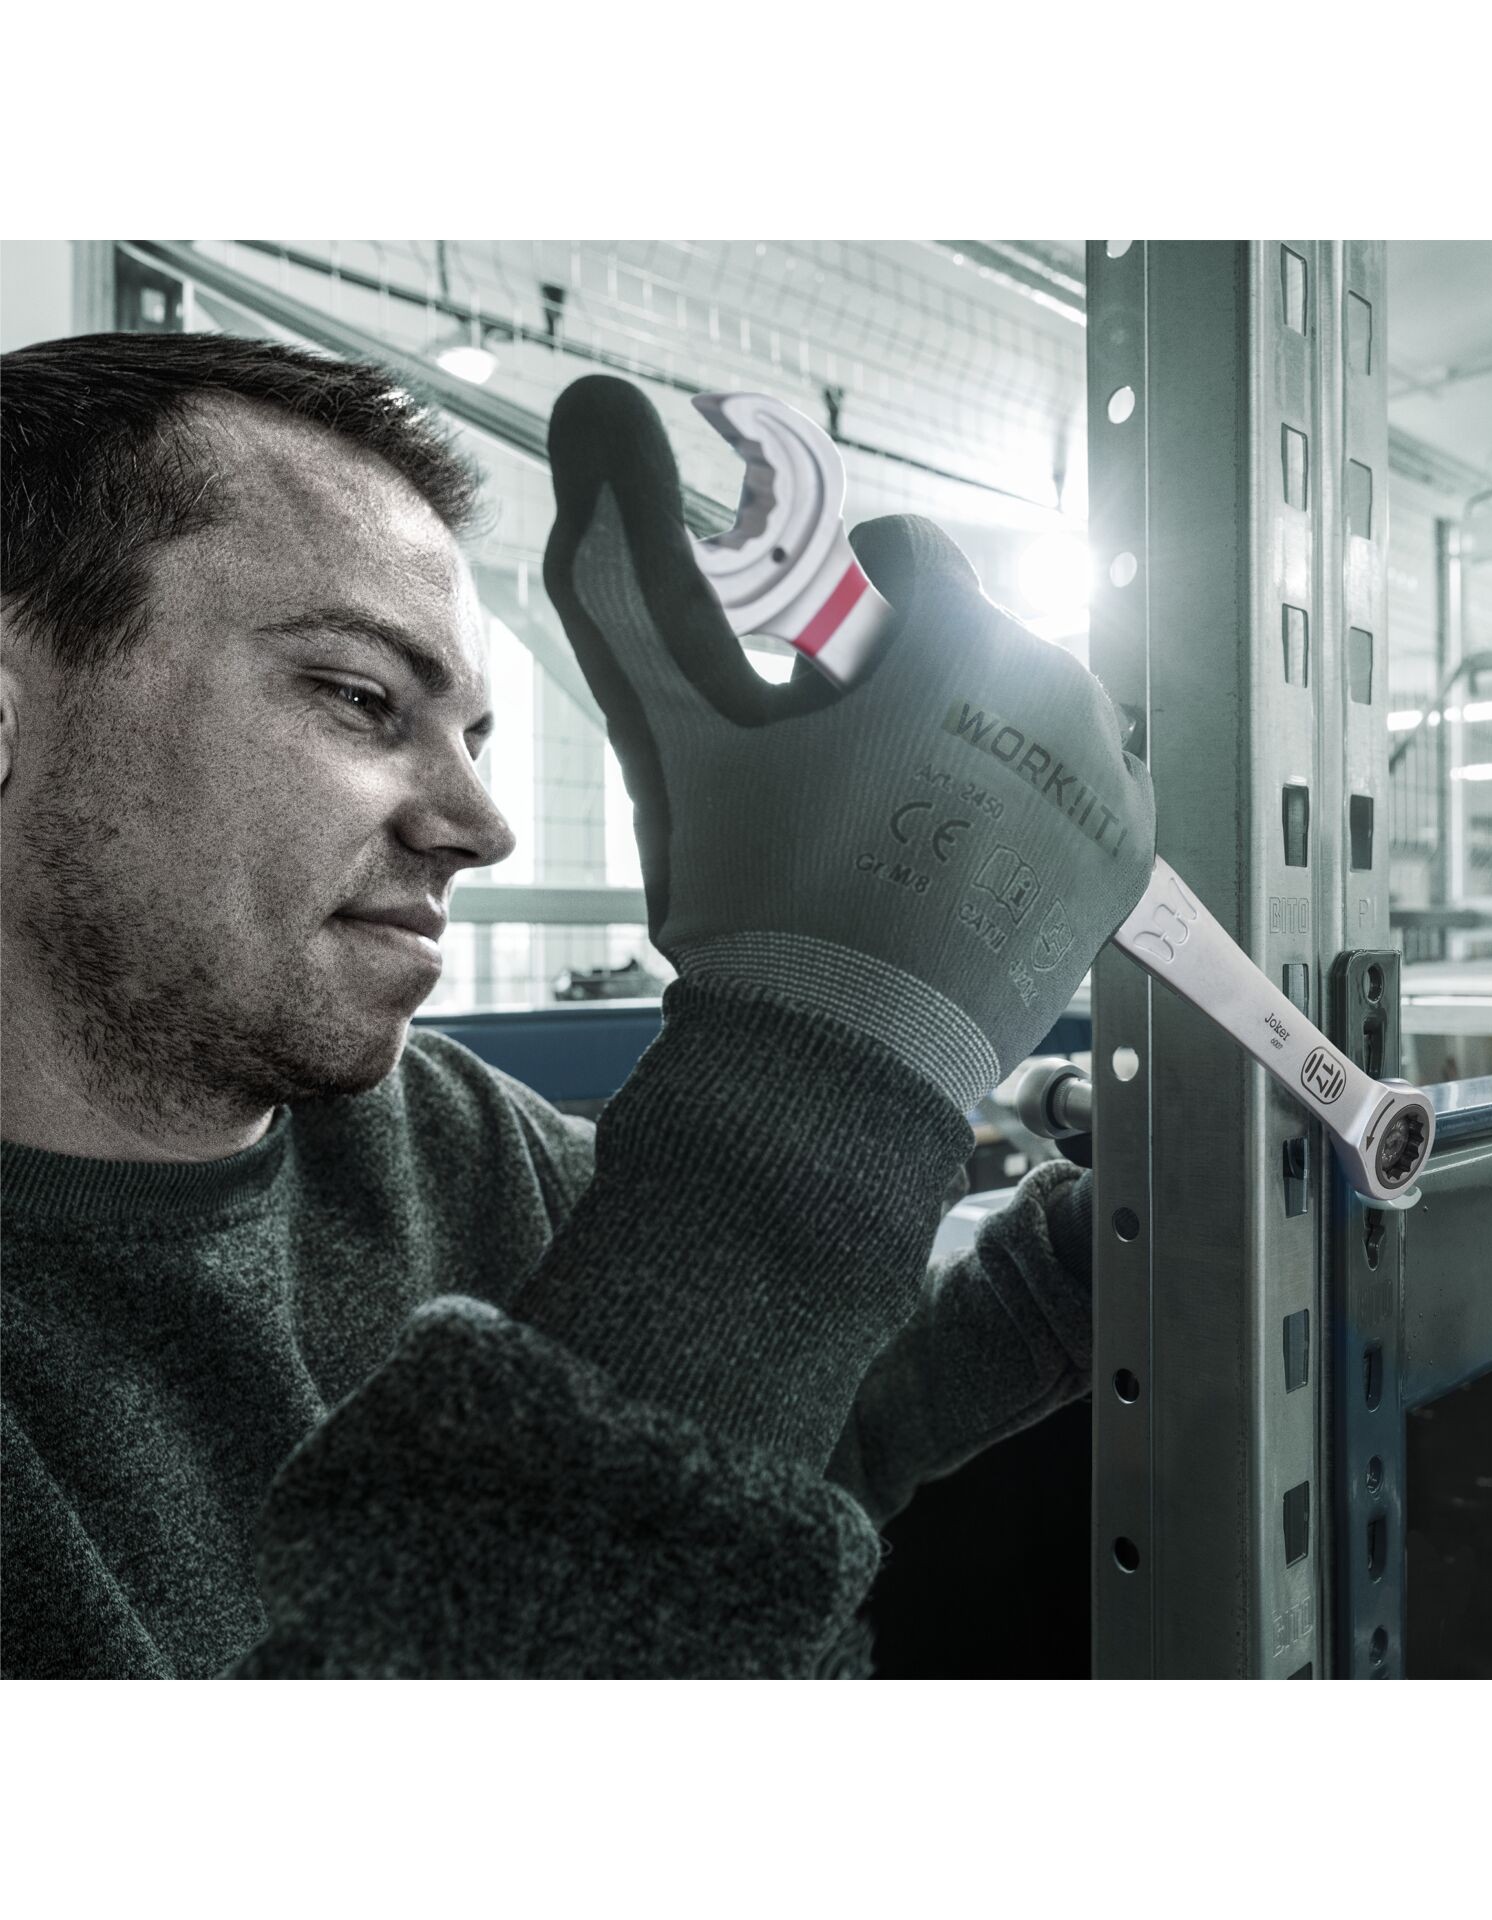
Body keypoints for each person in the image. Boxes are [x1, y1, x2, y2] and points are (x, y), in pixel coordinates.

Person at [0, 332, 1155, 1678]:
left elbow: (770, 1448)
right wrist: (825, 1061)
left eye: (474, 739)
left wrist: (1086, 1263)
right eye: (360, 696)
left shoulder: (447, 1137)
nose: (480, 824)